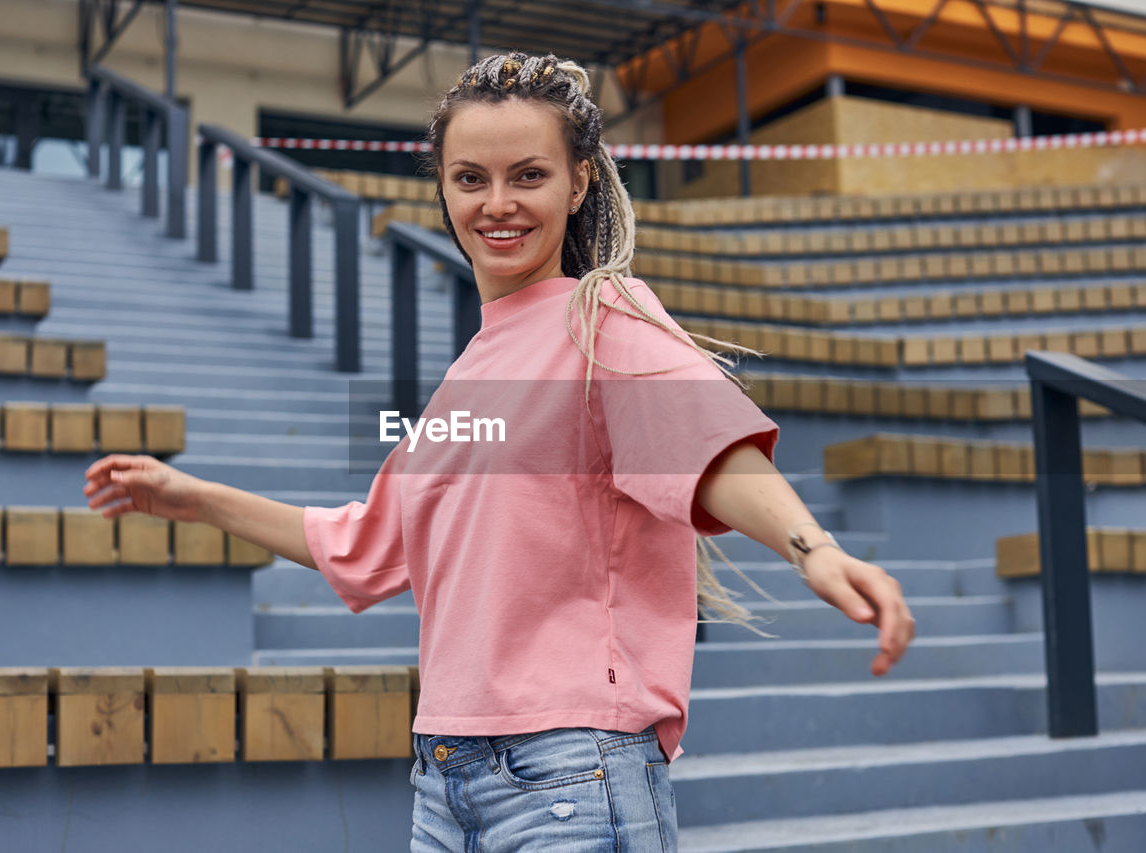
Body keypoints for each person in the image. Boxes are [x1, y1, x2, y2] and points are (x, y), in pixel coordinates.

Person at [83, 52, 915, 852]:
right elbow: (363, 544)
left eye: (529, 174)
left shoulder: (606, 316)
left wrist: (813, 547)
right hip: (445, 778)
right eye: (470, 178)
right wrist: (188, 497)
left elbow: (703, 444)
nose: (498, 204)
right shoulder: (464, 381)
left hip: (573, 774)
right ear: (443, 190)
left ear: (578, 181)